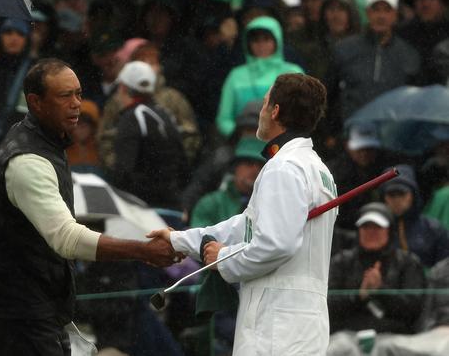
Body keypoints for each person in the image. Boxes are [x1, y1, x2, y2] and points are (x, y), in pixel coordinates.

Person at [0, 58, 180, 356]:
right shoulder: (27, 161)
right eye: (64, 96)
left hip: (34, 309)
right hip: (17, 314)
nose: (76, 104)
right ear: (35, 102)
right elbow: (66, 238)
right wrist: (143, 250)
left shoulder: (42, 141)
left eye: (79, 94)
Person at [149, 73, 338, 355]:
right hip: (297, 323)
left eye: (264, 104)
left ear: (275, 111)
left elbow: (276, 244)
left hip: (278, 328)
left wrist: (222, 258)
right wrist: (180, 240)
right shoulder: (319, 170)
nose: (262, 112)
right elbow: (246, 226)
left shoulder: (284, 167)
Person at [326, 202, 425, 355]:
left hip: (395, 337)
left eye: (377, 227)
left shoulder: (408, 262)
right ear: (358, 231)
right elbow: (327, 305)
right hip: (345, 336)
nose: (371, 232)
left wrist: (380, 290)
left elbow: (414, 309)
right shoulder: (341, 262)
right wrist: (359, 295)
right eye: (366, 227)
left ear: (389, 231)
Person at [105, 60, 188, 210]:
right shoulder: (165, 115)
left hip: (143, 210)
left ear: (123, 88)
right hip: (172, 206)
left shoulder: (131, 118)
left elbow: (123, 173)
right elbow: (183, 165)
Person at [216, 16, 304, 138]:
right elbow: (224, 118)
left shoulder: (293, 72)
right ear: (248, 43)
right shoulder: (236, 75)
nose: (261, 45)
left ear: (277, 40)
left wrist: (283, 137)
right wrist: (238, 136)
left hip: (284, 145)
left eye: (266, 39)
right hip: (243, 145)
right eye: (255, 40)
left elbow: (302, 113)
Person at [380, 164, 449, 268]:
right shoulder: (374, 229)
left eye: (401, 193)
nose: (397, 200)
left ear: (413, 194)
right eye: (391, 194)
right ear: (384, 197)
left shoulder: (433, 229)